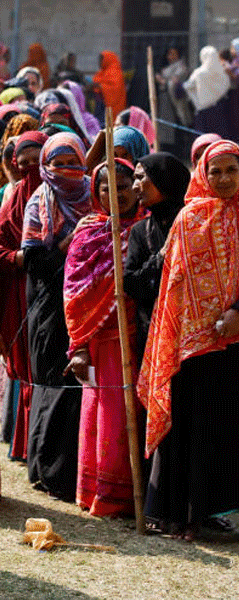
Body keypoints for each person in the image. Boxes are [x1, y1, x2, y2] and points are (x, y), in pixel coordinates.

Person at [137, 139, 239, 541]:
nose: (224, 178)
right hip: (191, 347)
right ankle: (182, 515)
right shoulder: (187, 219)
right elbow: (173, 286)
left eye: (232, 170)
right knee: (190, 427)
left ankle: (213, 510)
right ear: (201, 173)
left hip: (234, 343)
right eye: (216, 171)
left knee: (225, 425)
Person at [63, 159, 145, 517]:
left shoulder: (147, 228)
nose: (116, 194)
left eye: (123, 185)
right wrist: (79, 346)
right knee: (108, 417)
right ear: (95, 194)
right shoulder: (88, 233)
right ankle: (105, 495)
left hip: (141, 337)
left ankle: (140, 495)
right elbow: (74, 292)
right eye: (106, 188)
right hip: (102, 341)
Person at [21, 132, 94, 501]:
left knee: (78, 387)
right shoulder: (41, 202)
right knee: (53, 381)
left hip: (87, 304)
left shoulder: (92, 196)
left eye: (72, 163)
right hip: (49, 305)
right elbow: (34, 262)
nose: (66, 172)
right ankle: (45, 468)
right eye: (57, 164)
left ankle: (71, 470)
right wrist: (69, 244)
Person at [0, 130, 48, 461]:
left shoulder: (69, 196)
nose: (31, 171)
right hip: (22, 295)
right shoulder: (15, 201)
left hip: (58, 294)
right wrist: (22, 258)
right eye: (23, 165)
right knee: (28, 368)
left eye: (37, 163)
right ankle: (26, 445)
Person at [124, 152, 189, 366]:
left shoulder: (194, 223)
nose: (135, 187)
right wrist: (160, 257)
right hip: (155, 336)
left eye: (141, 178)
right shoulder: (141, 231)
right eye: (134, 179)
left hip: (194, 338)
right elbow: (130, 283)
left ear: (164, 179)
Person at [183, 46, 231, 140]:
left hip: (203, 112)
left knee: (204, 140)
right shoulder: (222, 72)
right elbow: (227, 85)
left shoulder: (199, 73)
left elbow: (187, 86)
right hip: (219, 109)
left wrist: (197, 99)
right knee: (219, 138)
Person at [93, 51, 127, 117]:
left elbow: (116, 89)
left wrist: (100, 86)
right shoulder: (102, 72)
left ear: (107, 59)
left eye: (101, 60)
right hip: (101, 105)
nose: (99, 62)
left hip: (111, 107)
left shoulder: (115, 72)